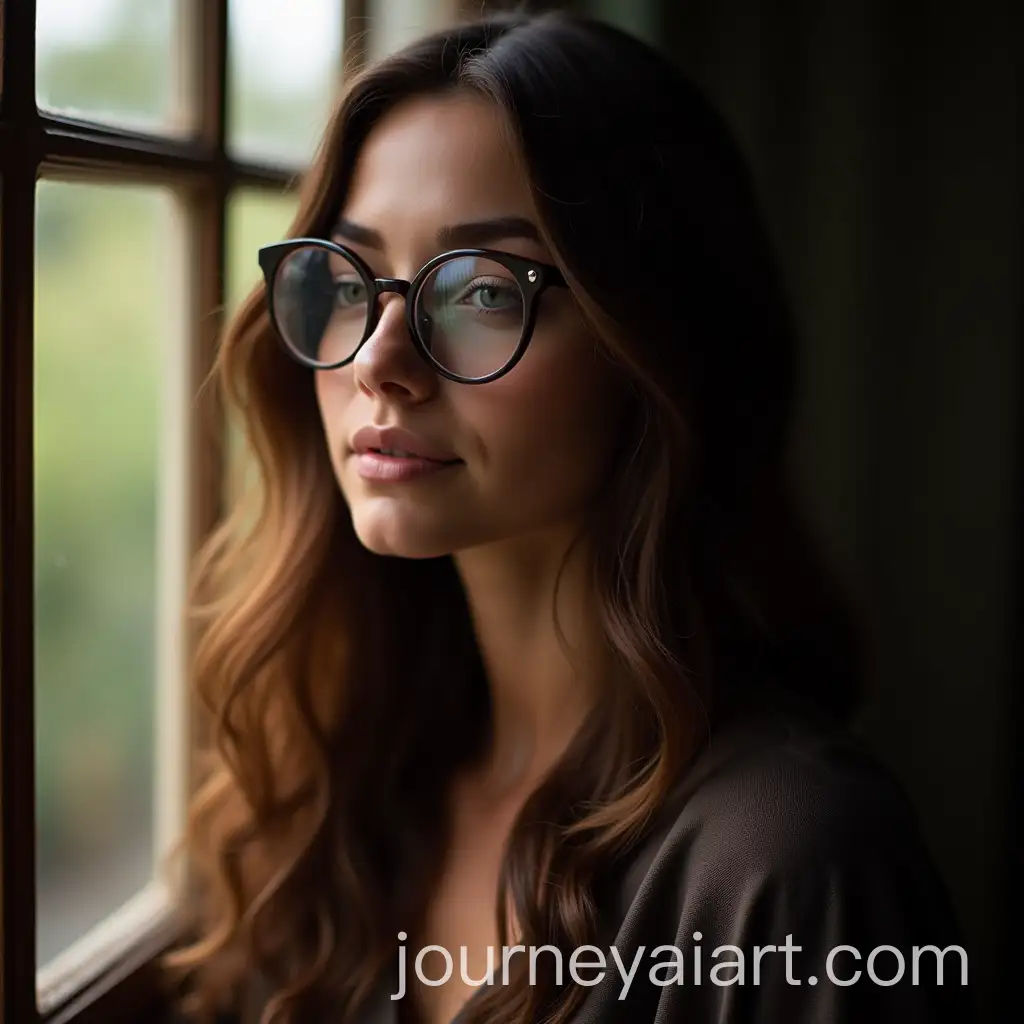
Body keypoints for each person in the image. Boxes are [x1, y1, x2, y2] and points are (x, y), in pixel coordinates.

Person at [163, 9, 973, 1024]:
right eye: (353, 278)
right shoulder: (352, 778)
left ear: (656, 348)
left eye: (482, 292)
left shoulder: (786, 861)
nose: (377, 361)